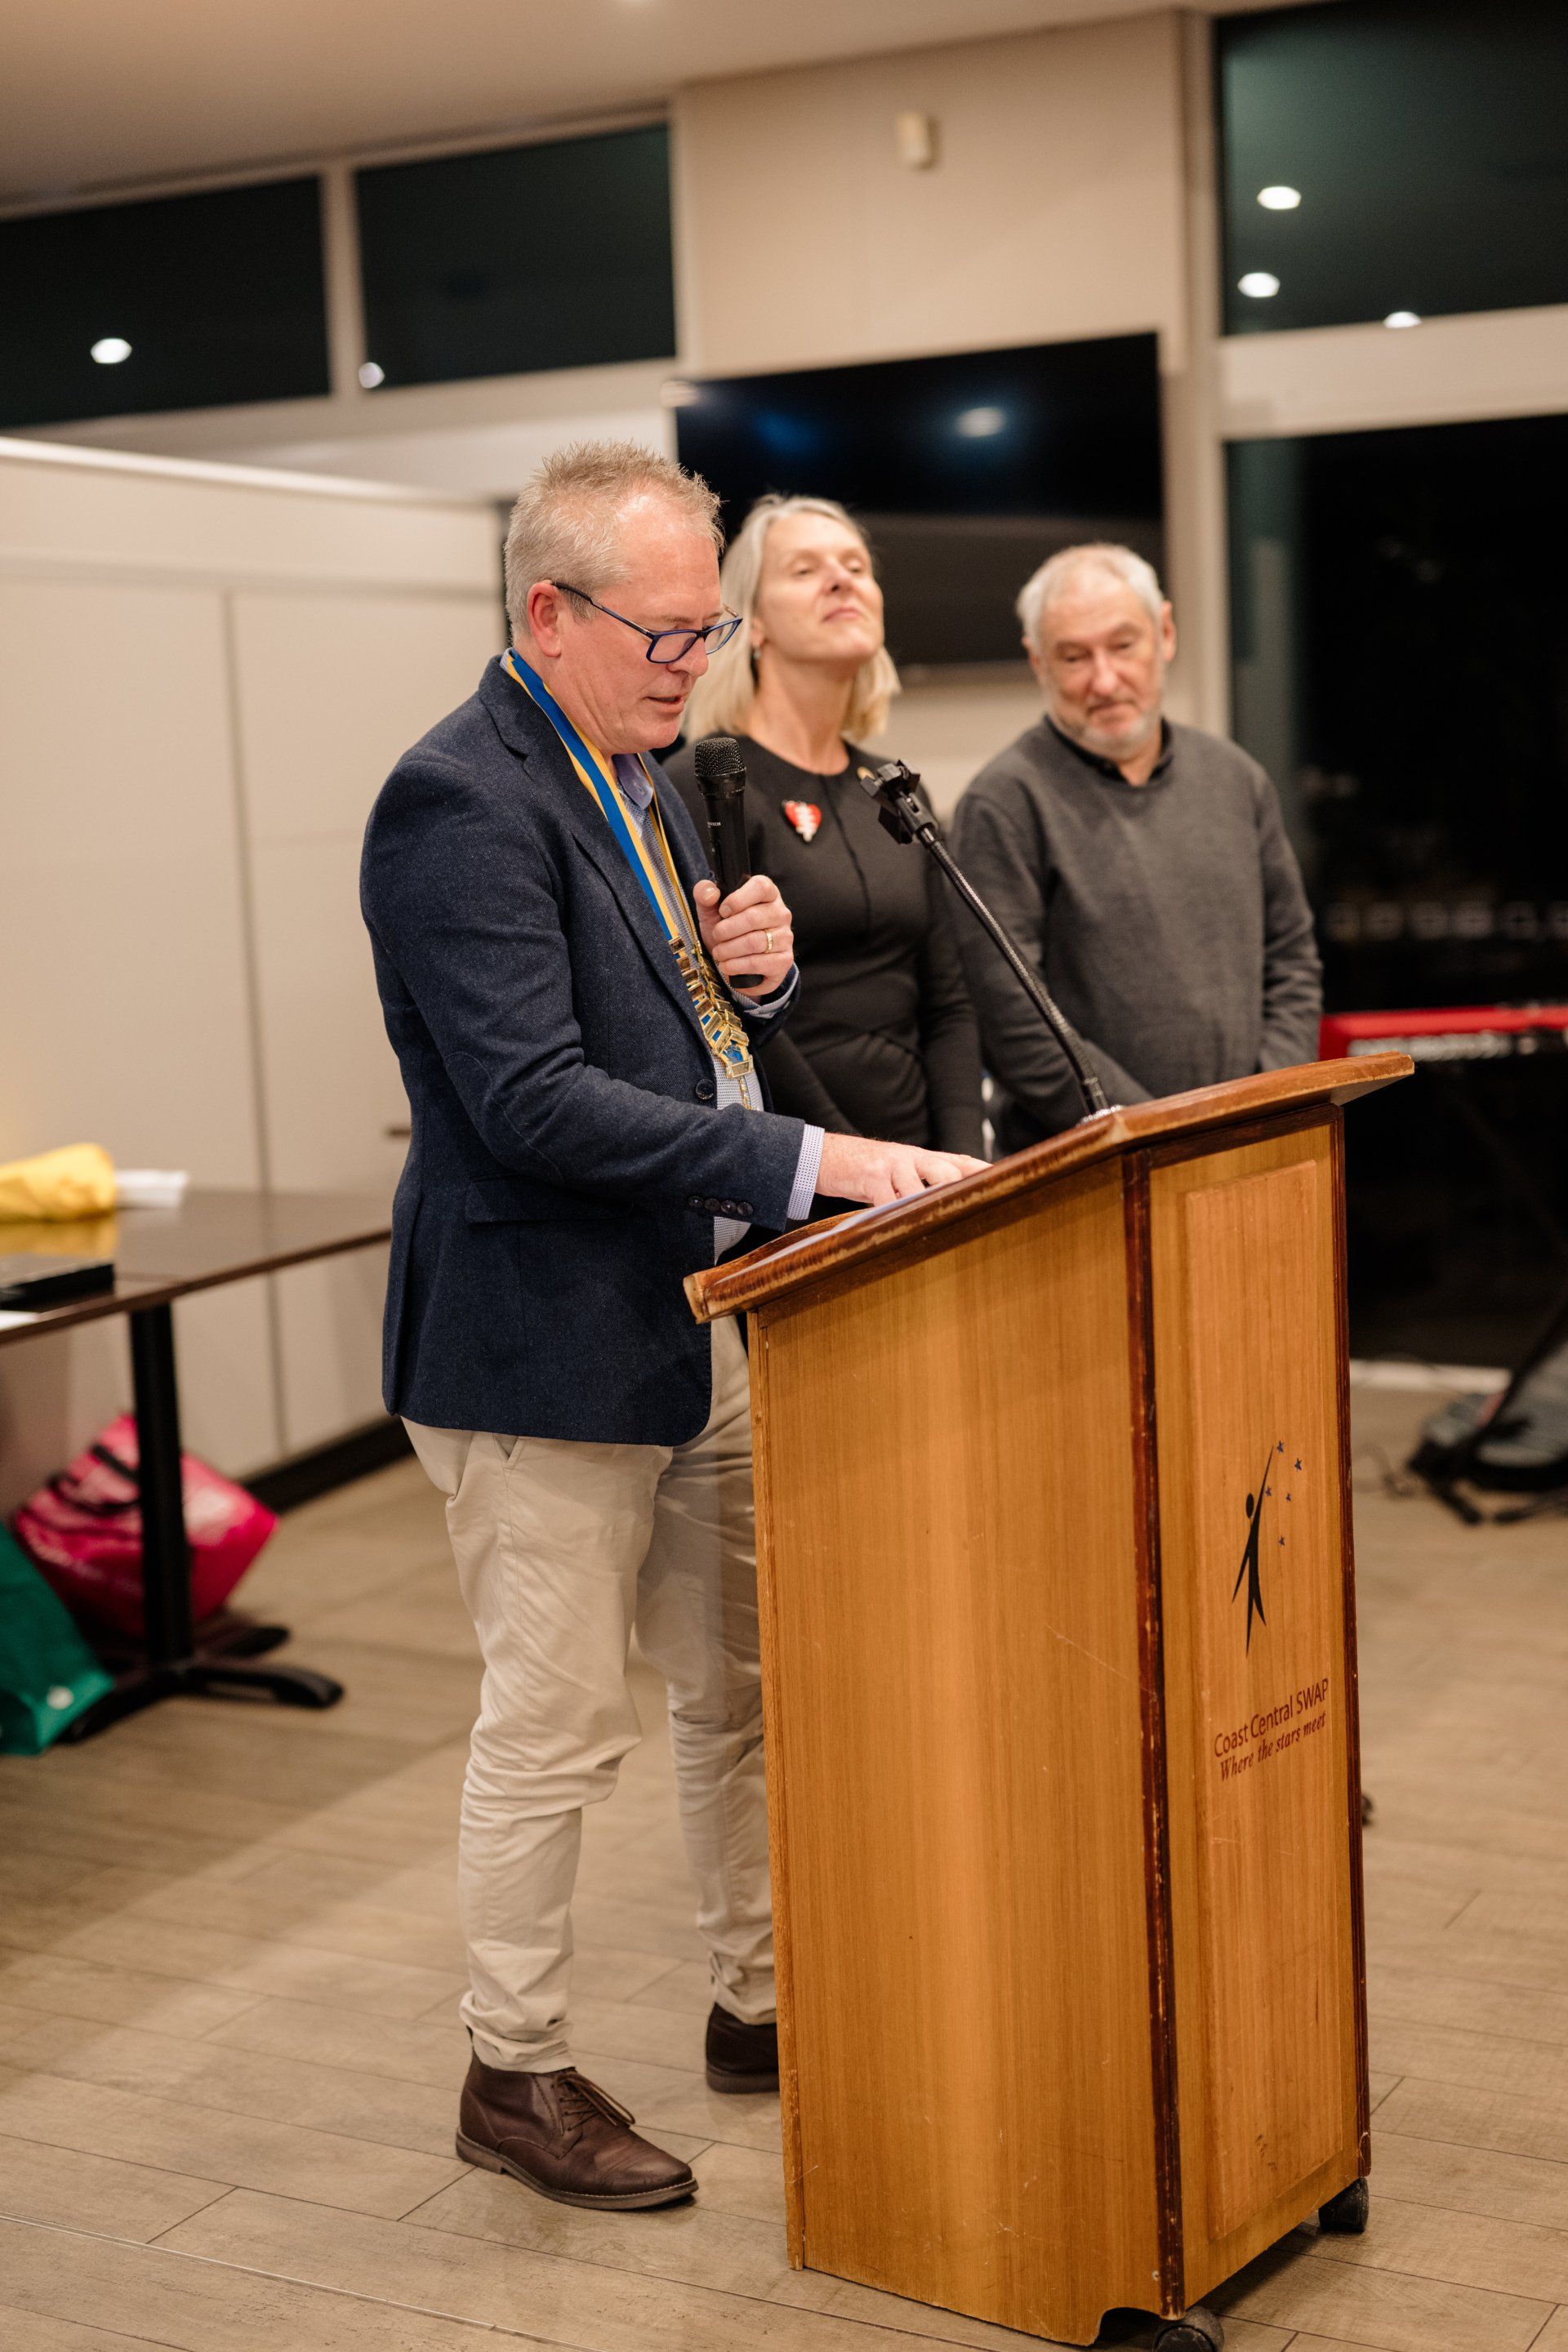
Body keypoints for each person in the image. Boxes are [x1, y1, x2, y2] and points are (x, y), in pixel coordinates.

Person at [360, 442, 983, 2216]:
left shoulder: (629, 769)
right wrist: (814, 1155)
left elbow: (670, 1025)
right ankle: (514, 2067)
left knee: (741, 1693)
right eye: (663, 631)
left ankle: (757, 1998)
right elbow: (534, 1100)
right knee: (557, 1729)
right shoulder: (459, 800)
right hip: (534, 1339)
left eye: (709, 630)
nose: (691, 665)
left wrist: (753, 974)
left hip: (689, 1306)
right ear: (545, 610)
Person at [950, 543, 1322, 1147]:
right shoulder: (1004, 802)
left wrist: (1262, 1105)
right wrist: (1161, 1132)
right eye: (1073, 657)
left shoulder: (1237, 778)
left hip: (1252, 1149)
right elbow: (1013, 1018)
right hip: (1086, 1172)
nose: (1104, 679)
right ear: (1038, 662)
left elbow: (1292, 961)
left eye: (1123, 646)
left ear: (1166, 633)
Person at [665, 496, 985, 1157]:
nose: (842, 580)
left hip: (924, 1163)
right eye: (805, 570)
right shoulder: (705, 787)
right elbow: (726, 1017)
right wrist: (846, 1165)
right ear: (752, 624)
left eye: (856, 566)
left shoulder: (894, 788)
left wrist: (963, 1164)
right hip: (799, 1172)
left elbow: (950, 1004)